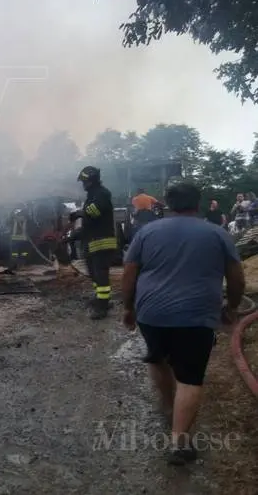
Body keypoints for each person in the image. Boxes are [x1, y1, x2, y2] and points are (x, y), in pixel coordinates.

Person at [122, 182, 245, 466]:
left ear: (166, 203)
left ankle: (168, 405)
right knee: (190, 376)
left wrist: (128, 307)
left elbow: (129, 274)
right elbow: (237, 278)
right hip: (197, 315)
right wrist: (232, 308)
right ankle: (179, 441)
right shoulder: (217, 233)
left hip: (151, 313)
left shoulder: (146, 232)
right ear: (198, 203)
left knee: (158, 359)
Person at [70, 166, 117, 320]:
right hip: (92, 241)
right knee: (93, 272)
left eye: (84, 181)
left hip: (102, 241)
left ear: (90, 180)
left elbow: (94, 212)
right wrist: (73, 236)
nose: (83, 185)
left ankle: (103, 306)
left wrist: (78, 213)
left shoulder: (101, 193)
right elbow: (89, 224)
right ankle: (100, 298)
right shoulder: (92, 194)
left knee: (101, 274)